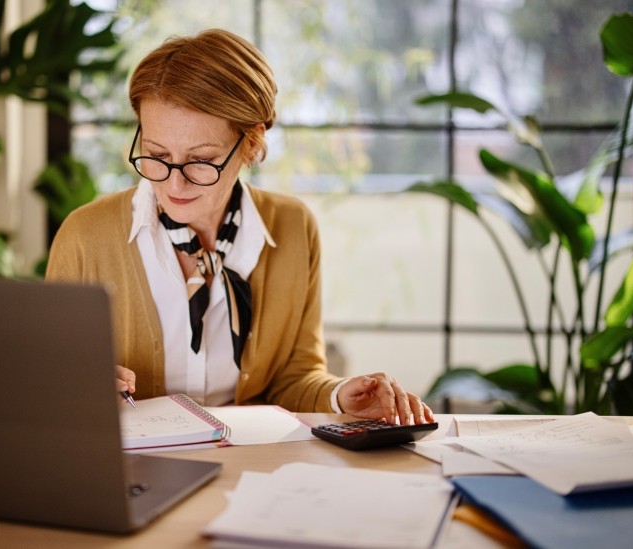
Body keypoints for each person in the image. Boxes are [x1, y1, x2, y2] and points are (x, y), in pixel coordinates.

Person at [46, 28, 434, 425]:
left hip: (253, 472)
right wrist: (76, 388)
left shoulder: (293, 228)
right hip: (135, 475)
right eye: (156, 154)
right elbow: (48, 383)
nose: (174, 183)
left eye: (201, 160)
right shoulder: (85, 237)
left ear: (251, 143)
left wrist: (338, 397)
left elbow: (294, 378)